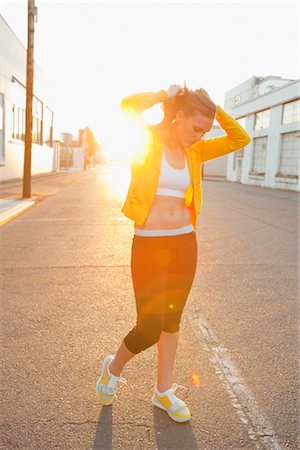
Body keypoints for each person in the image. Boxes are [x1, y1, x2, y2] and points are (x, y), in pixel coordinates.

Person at [96, 84, 251, 422]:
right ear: (178, 116)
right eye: (196, 127)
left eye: (205, 131)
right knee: (148, 327)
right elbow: (126, 103)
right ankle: (113, 367)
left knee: (172, 320)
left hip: (184, 243)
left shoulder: (197, 151)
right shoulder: (148, 141)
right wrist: (164, 96)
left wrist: (212, 109)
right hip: (149, 244)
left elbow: (241, 139)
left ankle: (162, 392)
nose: (200, 136)